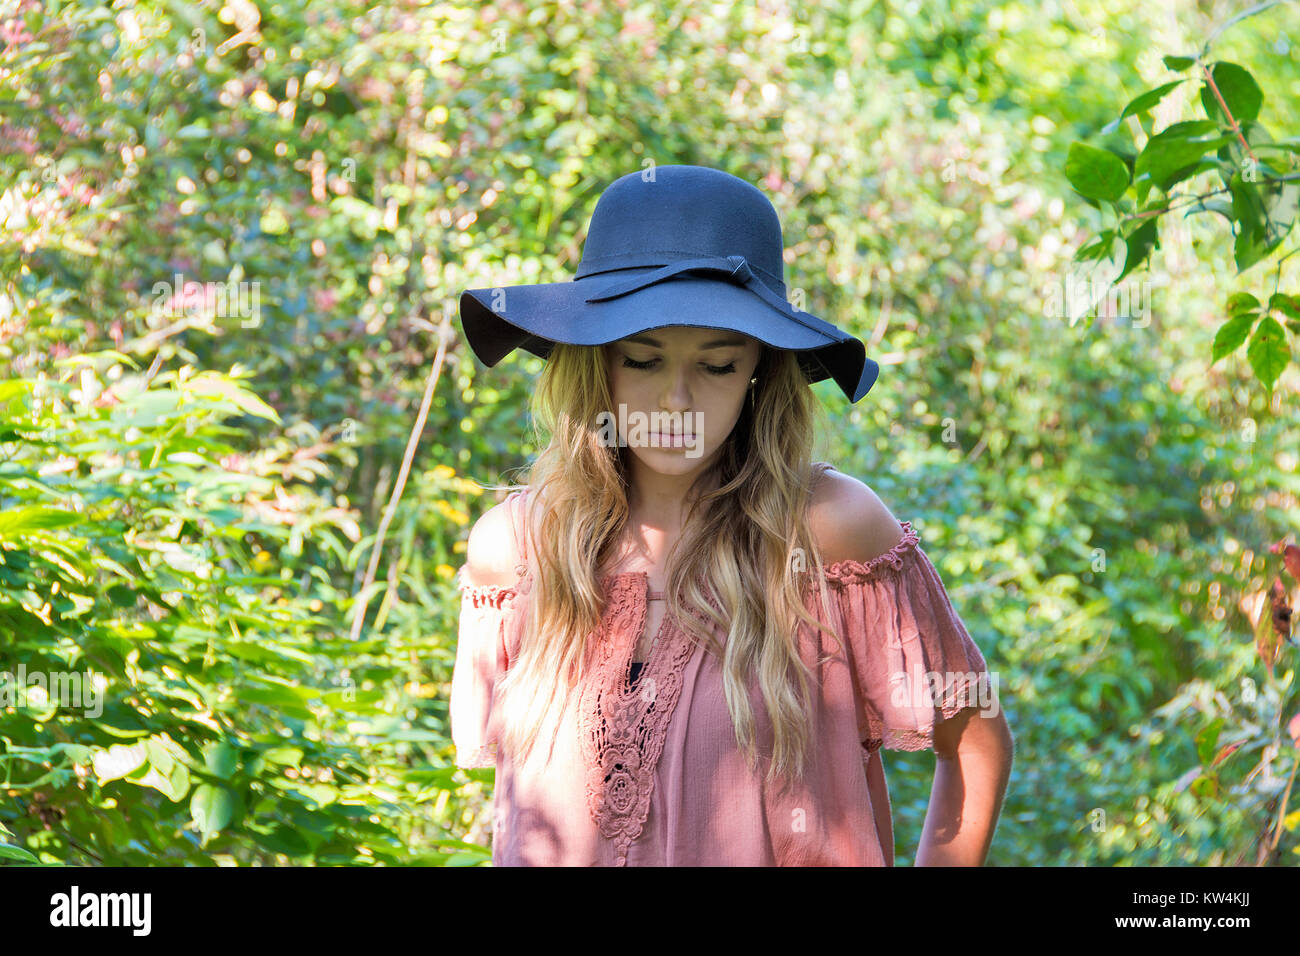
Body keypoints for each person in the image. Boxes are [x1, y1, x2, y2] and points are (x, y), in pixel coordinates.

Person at [451, 164, 1013, 866]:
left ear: (758, 372)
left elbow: (977, 742)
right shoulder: (517, 550)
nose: (677, 401)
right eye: (642, 360)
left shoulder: (829, 531)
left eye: (716, 366)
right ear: (596, 364)